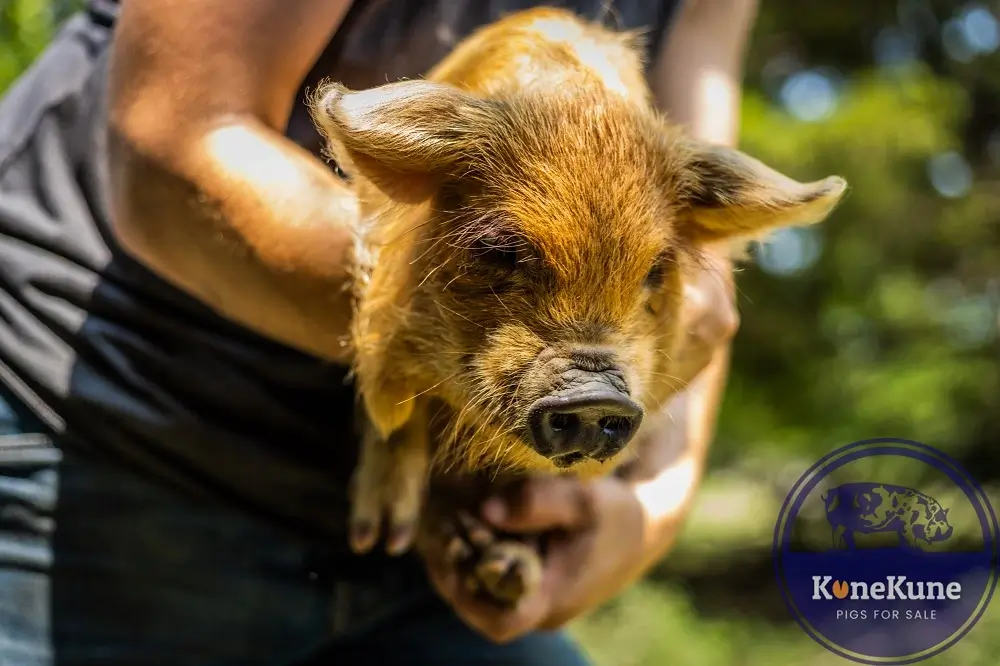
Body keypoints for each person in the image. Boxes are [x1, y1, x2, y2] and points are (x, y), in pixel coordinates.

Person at [0, 0, 756, 663]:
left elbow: (703, 287)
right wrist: (441, 392)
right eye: (500, 254)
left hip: (446, 535)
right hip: (122, 440)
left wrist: (651, 503)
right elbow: (179, 140)